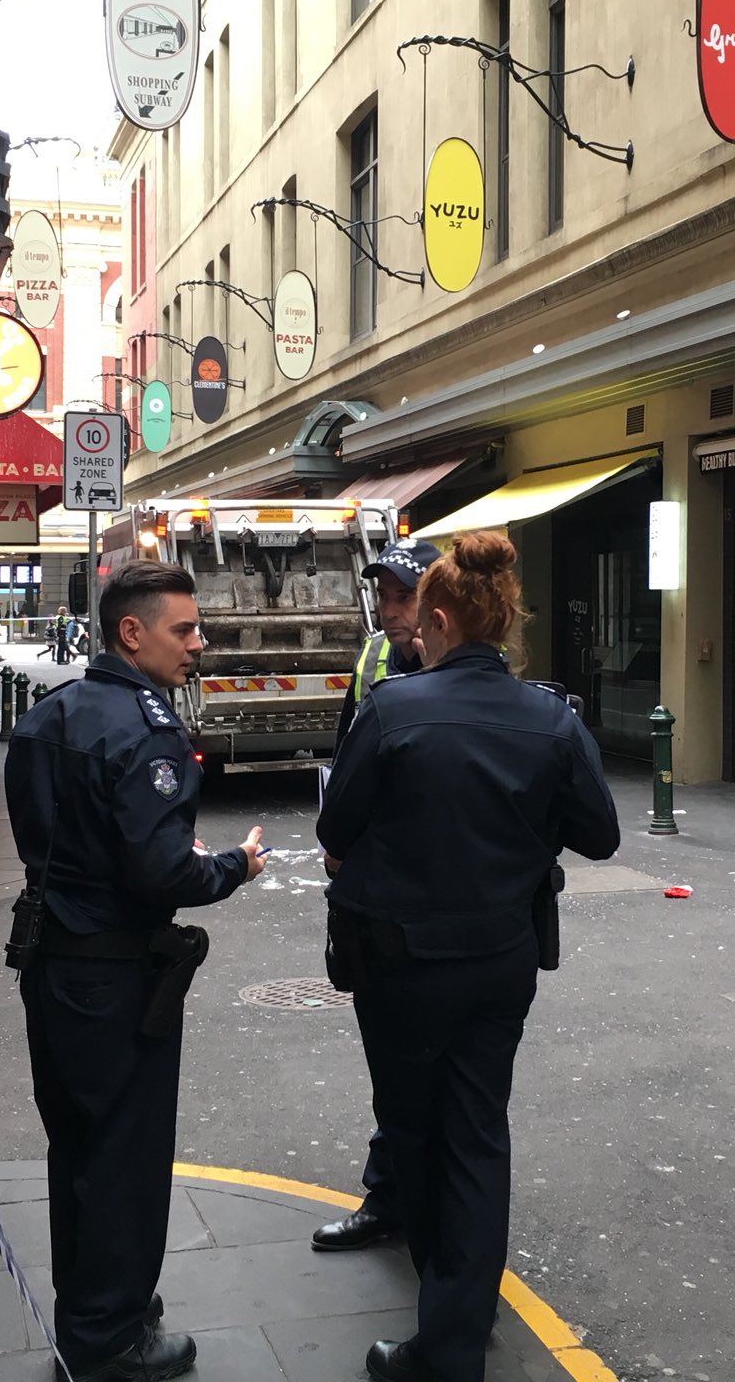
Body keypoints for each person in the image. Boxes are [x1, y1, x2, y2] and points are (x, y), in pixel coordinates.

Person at [318, 532, 620, 1382]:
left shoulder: (394, 709)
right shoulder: (550, 718)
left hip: (399, 963)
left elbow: (336, 828)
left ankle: (443, 1323)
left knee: (415, 1131)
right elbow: (600, 833)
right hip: (500, 959)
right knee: (479, 1134)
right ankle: (461, 1322)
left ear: (441, 620)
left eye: (421, 627)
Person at [5, 560, 269, 1382]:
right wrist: (234, 866)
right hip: (115, 975)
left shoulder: (50, 716)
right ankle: (110, 1338)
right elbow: (164, 873)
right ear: (132, 632)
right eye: (184, 629)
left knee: (78, 1147)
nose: (199, 643)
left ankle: (94, 1306)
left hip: (52, 961)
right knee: (123, 1154)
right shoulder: (145, 729)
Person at [309, 535, 441, 1255]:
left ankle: (432, 1216)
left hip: (446, 905)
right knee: (392, 1066)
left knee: (445, 1079)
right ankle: (391, 1197)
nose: (391, 610)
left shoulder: (470, 670)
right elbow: (343, 766)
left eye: (405, 594)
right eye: (385, 594)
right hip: (379, 900)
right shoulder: (373, 660)